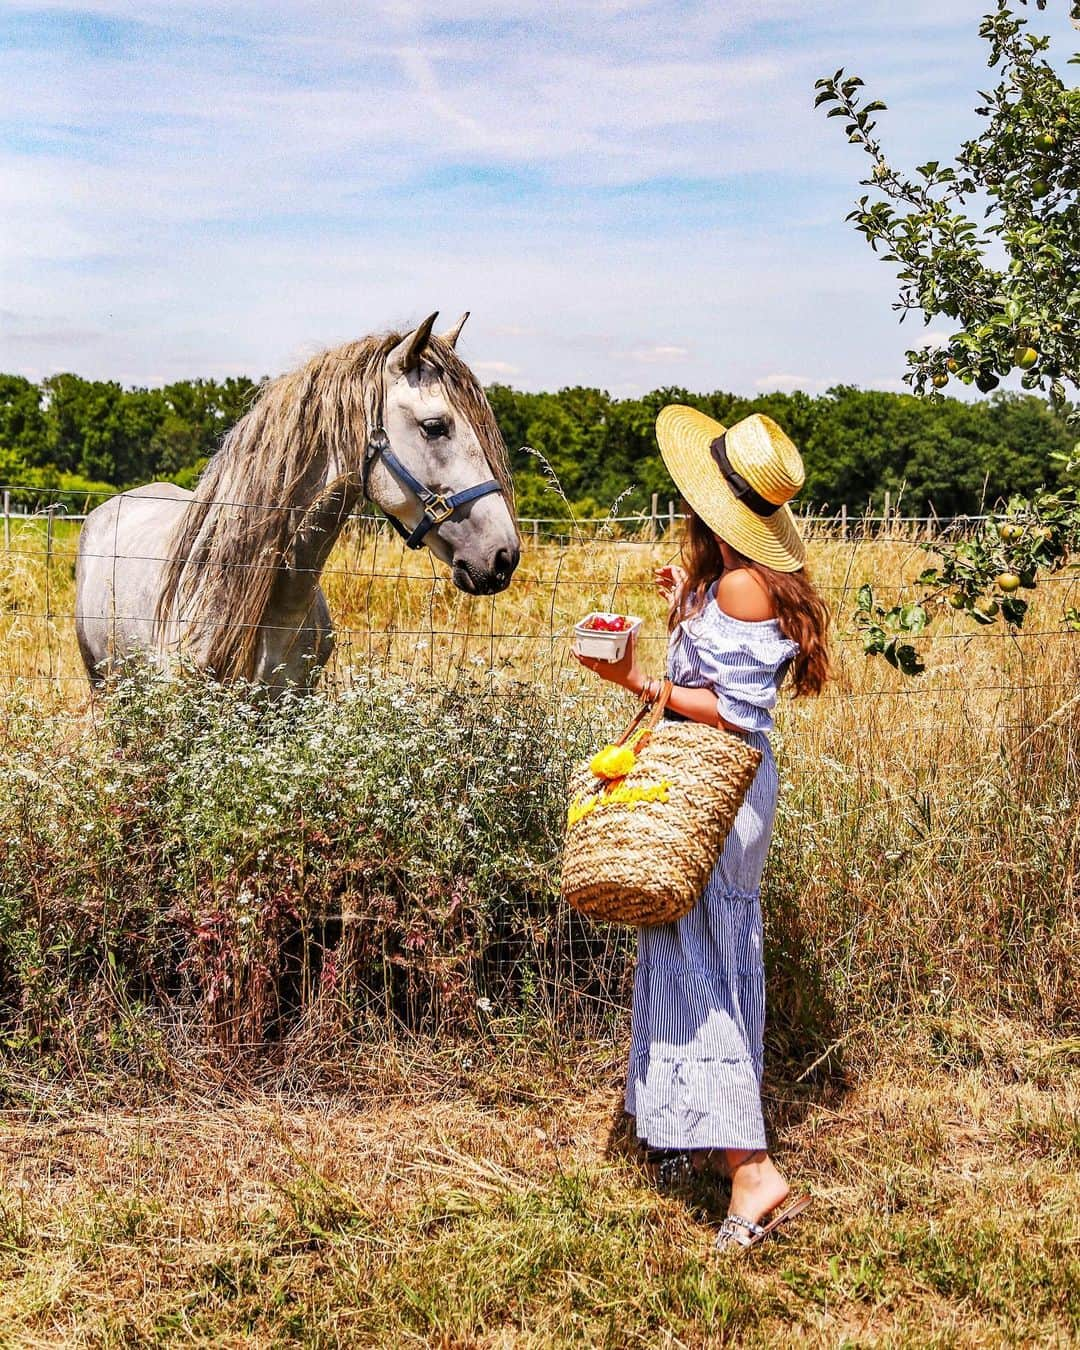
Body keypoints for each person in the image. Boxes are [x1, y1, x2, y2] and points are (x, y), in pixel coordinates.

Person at [573, 405, 831, 1253]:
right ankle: (717, 1143)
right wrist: (686, 603)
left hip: (715, 792)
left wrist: (634, 680)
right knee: (709, 959)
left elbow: (728, 710)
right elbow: (731, 658)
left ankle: (754, 1173)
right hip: (730, 796)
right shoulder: (736, 577)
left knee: (700, 968)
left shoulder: (743, 583)